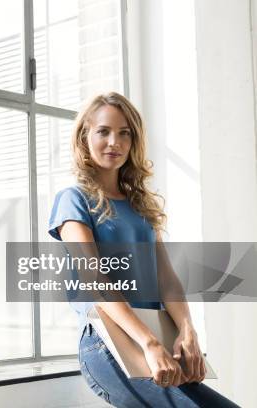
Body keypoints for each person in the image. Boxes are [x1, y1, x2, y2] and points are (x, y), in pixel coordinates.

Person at [48, 92, 239, 407]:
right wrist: (148, 343)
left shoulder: (140, 204)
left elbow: (166, 278)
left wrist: (187, 330)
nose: (115, 142)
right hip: (108, 345)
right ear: (85, 136)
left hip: (154, 339)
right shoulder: (73, 199)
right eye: (104, 131)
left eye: (125, 133)